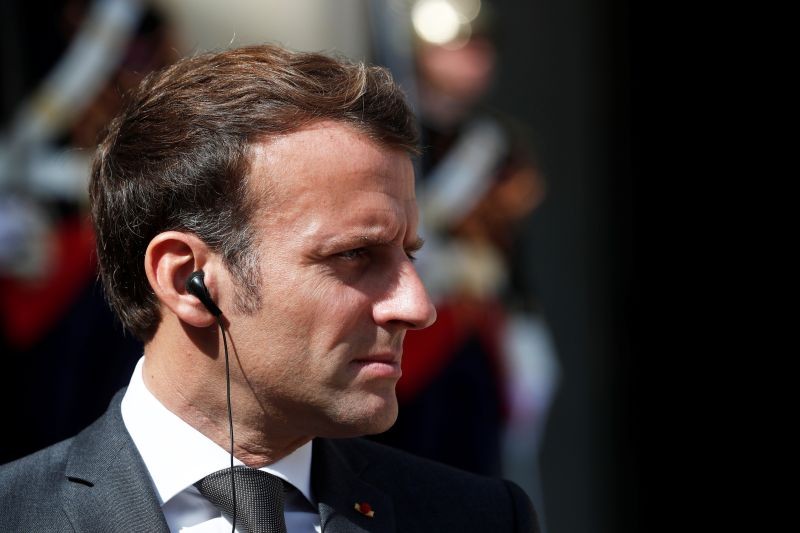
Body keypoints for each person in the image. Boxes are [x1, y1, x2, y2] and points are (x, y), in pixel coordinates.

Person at [0, 44, 538, 532]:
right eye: (354, 255)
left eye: (410, 255)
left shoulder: (480, 518)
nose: (417, 307)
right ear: (187, 280)